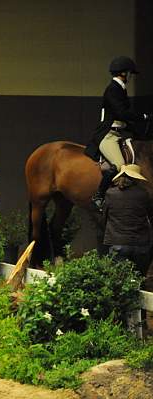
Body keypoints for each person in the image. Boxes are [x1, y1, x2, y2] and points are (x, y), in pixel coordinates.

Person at [85, 56, 150, 210]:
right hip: (108, 135)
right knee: (120, 165)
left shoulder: (120, 89)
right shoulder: (113, 89)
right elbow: (122, 113)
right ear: (123, 73)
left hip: (118, 134)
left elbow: (124, 119)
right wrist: (144, 117)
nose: (130, 76)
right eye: (129, 73)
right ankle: (98, 196)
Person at [104, 164, 152, 280]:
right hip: (141, 245)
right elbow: (150, 215)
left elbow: (104, 217)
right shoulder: (143, 194)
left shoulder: (110, 194)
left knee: (119, 281)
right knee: (139, 281)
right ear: (136, 179)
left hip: (118, 242)